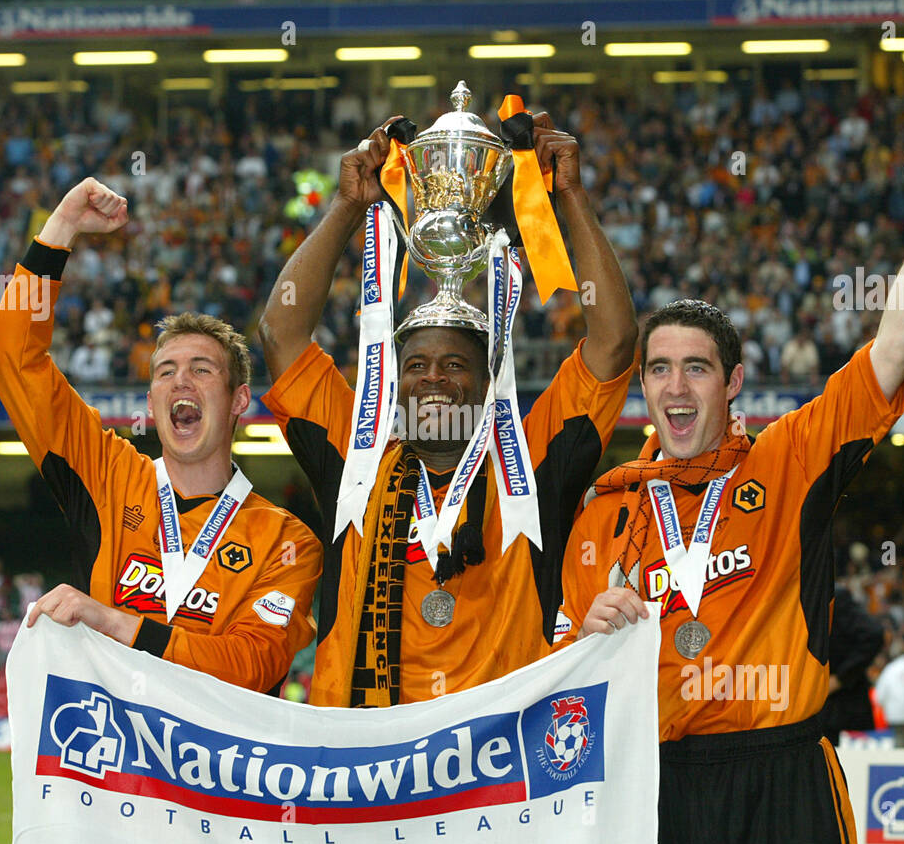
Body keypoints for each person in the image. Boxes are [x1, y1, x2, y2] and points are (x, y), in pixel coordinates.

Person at [560, 136, 904, 844]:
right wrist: (584, 635)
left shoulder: (790, 460)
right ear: (644, 387)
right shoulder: (606, 510)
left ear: (734, 382)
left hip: (785, 776)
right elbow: (559, 681)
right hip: (657, 784)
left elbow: (896, 345)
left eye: (697, 367)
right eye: (659, 369)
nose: (677, 387)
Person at [259, 113, 636, 707]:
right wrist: (346, 207)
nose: (433, 378)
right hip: (368, 767)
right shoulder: (358, 459)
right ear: (392, 384)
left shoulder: (531, 463)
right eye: (416, 366)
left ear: (491, 382)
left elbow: (614, 340)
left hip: (498, 770)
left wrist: (569, 198)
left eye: (456, 365)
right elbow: (280, 333)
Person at [0, 178, 321, 694]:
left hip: (214, 771)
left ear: (237, 401)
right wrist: (62, 226)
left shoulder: (286, 541)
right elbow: (15, 360)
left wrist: (113, 621)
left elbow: (253, 664)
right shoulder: (108, 474)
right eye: (164, 372)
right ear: (150, 402)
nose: (180, 381)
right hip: (113, 766)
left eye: (201, 370)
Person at [819, 585, 884, 746]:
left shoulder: (833, 596)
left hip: (841, 706)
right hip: (809, 705)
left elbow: (873, 633)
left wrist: (841, 677)